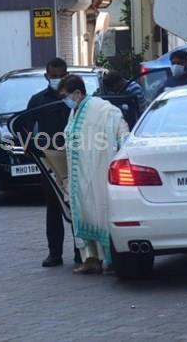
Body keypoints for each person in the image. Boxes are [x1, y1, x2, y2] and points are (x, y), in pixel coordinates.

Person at [58, 74, 129, 274]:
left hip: (99, 171)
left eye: (65, 96)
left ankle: (109, 260)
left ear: (77, 93)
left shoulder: (103, 109)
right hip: (80, 177)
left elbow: (121, 130)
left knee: (101, 212)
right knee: (85, 213)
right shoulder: (75, 111)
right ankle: (91, 258)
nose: (65, 100)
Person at [26, 58, 80, 268]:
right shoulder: (37, 100)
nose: (57, 79)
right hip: (50, 161)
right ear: (46, 76)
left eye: (61, 76)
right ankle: (54, 253)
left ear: (67, 75)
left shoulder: (74, 99)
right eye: (53, 76)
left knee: (77, 206)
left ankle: (81, 251)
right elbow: (26, 127)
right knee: (53, 208)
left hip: (74, 159)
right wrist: (33, 149)